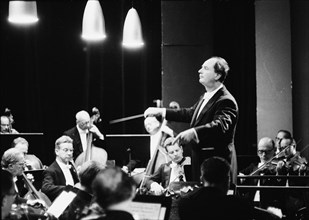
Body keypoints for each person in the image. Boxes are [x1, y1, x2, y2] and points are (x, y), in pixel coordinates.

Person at [144, 56, 239, 183]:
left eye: (205, 68)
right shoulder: (206, 96)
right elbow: (190, 113)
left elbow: (220, 125)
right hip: (202, 163)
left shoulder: (226, 100)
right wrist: (162, 111)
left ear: (217, 75)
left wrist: (194, 132)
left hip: (216, 166)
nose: (200, 71)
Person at [178, 156, 280, 220]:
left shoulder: (185, 203)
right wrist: (272, 213)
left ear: (201, 178)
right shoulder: (235, 204)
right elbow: (268, 217)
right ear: (227, 180)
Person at [238, 137, 286, 214]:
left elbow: (280, 187)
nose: (264, 155)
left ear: (274, 151)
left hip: (269, 207)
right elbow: (240, 174)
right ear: (257, 152)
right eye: (261, 151)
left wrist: (279, 173)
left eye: (267, 152)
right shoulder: (253, 166)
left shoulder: (277, 167)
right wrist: (241, 177)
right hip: (251, 205)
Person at [41, 135, 80, 202]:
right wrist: (68, 189)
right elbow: (46, 188)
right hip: (60, 204)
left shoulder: (71, 166)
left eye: (71, 150)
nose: (69, 153)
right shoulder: (51, 170)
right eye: (65, 150)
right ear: (57, 151)